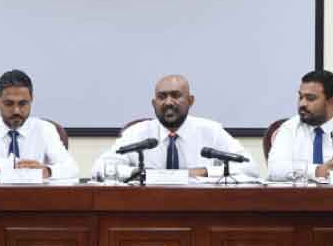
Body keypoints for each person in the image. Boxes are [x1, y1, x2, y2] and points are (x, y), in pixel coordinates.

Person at [93, 74, 258, 177]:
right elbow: (99, 168)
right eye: (162, 97)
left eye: (176, 95)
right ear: (154, 104)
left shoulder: (211, 132)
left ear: (190, 101)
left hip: (199, 208)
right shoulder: (137, 133)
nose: (168, 102)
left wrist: (204, 172)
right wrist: (138, 173)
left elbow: (250, 167)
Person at [0, 70, 79, 180]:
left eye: (23, 104)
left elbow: (72, 169)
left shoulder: (45, 130)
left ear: (31, 100)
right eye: (9, 104)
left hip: (36, 196)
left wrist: (48, 171)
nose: (16, 111)